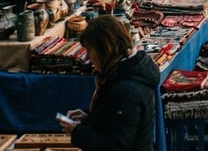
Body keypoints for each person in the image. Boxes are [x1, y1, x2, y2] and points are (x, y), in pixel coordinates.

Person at [59, 15, 159, 151]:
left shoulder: (126, 90)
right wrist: (90, 117)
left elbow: (115, 145)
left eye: (90, 50)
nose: (88, 56)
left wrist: (77, 131)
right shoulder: (126, 74)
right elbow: (114, 121)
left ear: (105, 50)